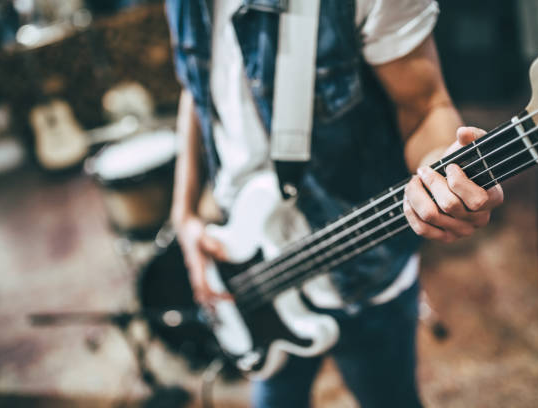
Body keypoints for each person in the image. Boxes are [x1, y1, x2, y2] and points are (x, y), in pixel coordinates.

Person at [166, 0, 504, 406]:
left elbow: (426, 105)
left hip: (363, 272)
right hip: (247, 265)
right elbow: (194, 86)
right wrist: (182, 214)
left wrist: (439, 174)